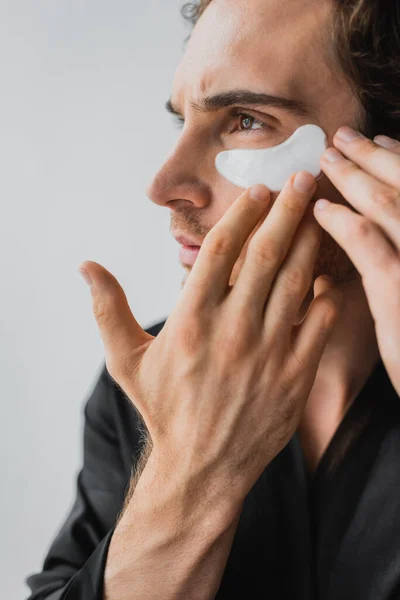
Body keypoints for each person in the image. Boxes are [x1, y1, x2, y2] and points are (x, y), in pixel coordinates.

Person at [26, 1, 400, 598]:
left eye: (246, 119)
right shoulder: (148, 381)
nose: (163, 185)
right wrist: (191, 477)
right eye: (183, 122)